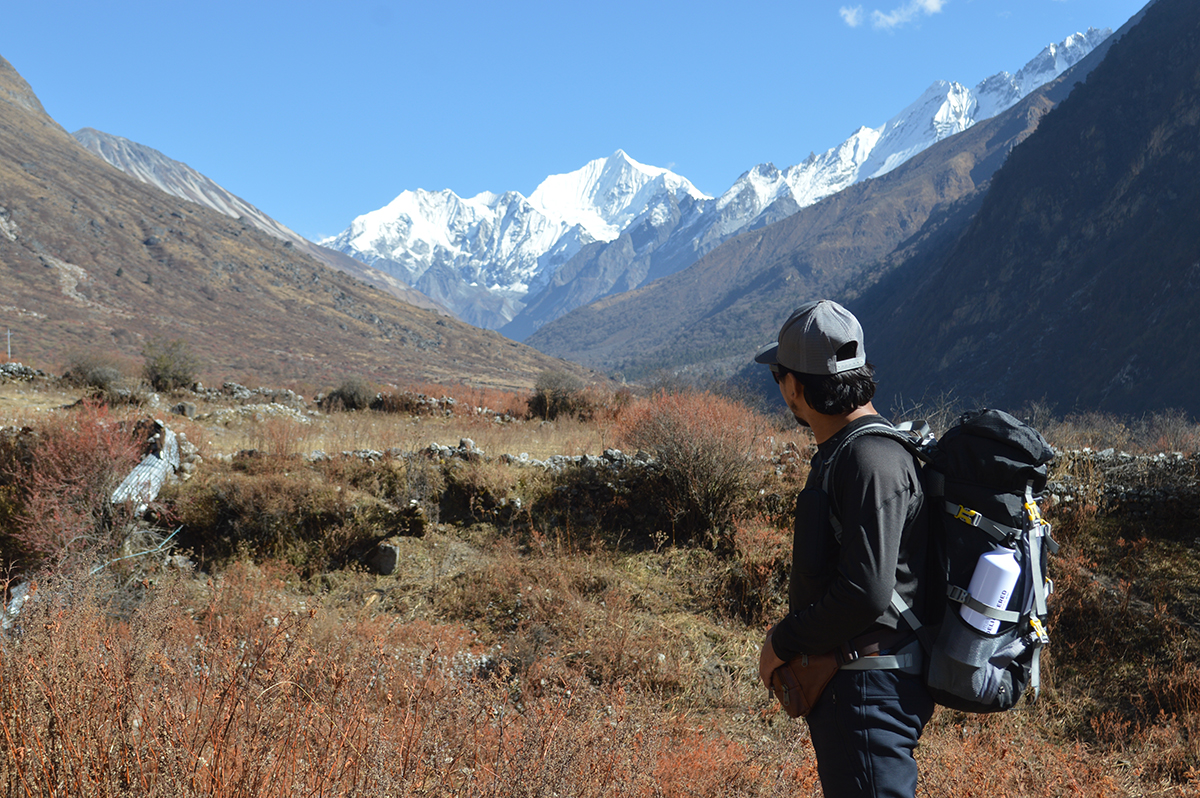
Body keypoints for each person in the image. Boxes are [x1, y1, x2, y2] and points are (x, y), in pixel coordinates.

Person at [755, 299, 934, 798]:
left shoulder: (868, 459)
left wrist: (782, 643)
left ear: (795, 386)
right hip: (860, 683)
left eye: (779, 377)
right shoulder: (855, 452)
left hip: (867, 691)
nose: (781, 389)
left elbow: (865, 592)